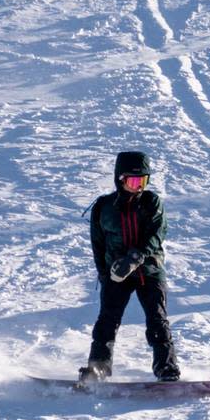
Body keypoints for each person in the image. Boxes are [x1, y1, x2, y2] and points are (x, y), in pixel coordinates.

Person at [79, 151, 181, 383]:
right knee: (107, 320)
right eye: (134, 181)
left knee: (157, 320)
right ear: (120, 179)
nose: (138, 187)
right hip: (117, 275)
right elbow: (98, 244)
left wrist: (135, 259)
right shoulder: (103, 207)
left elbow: (155, 236)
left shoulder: (151, 202)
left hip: (149, 272)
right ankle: (98, 369)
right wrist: (105, 274)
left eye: (143, 181)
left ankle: (166, 369)